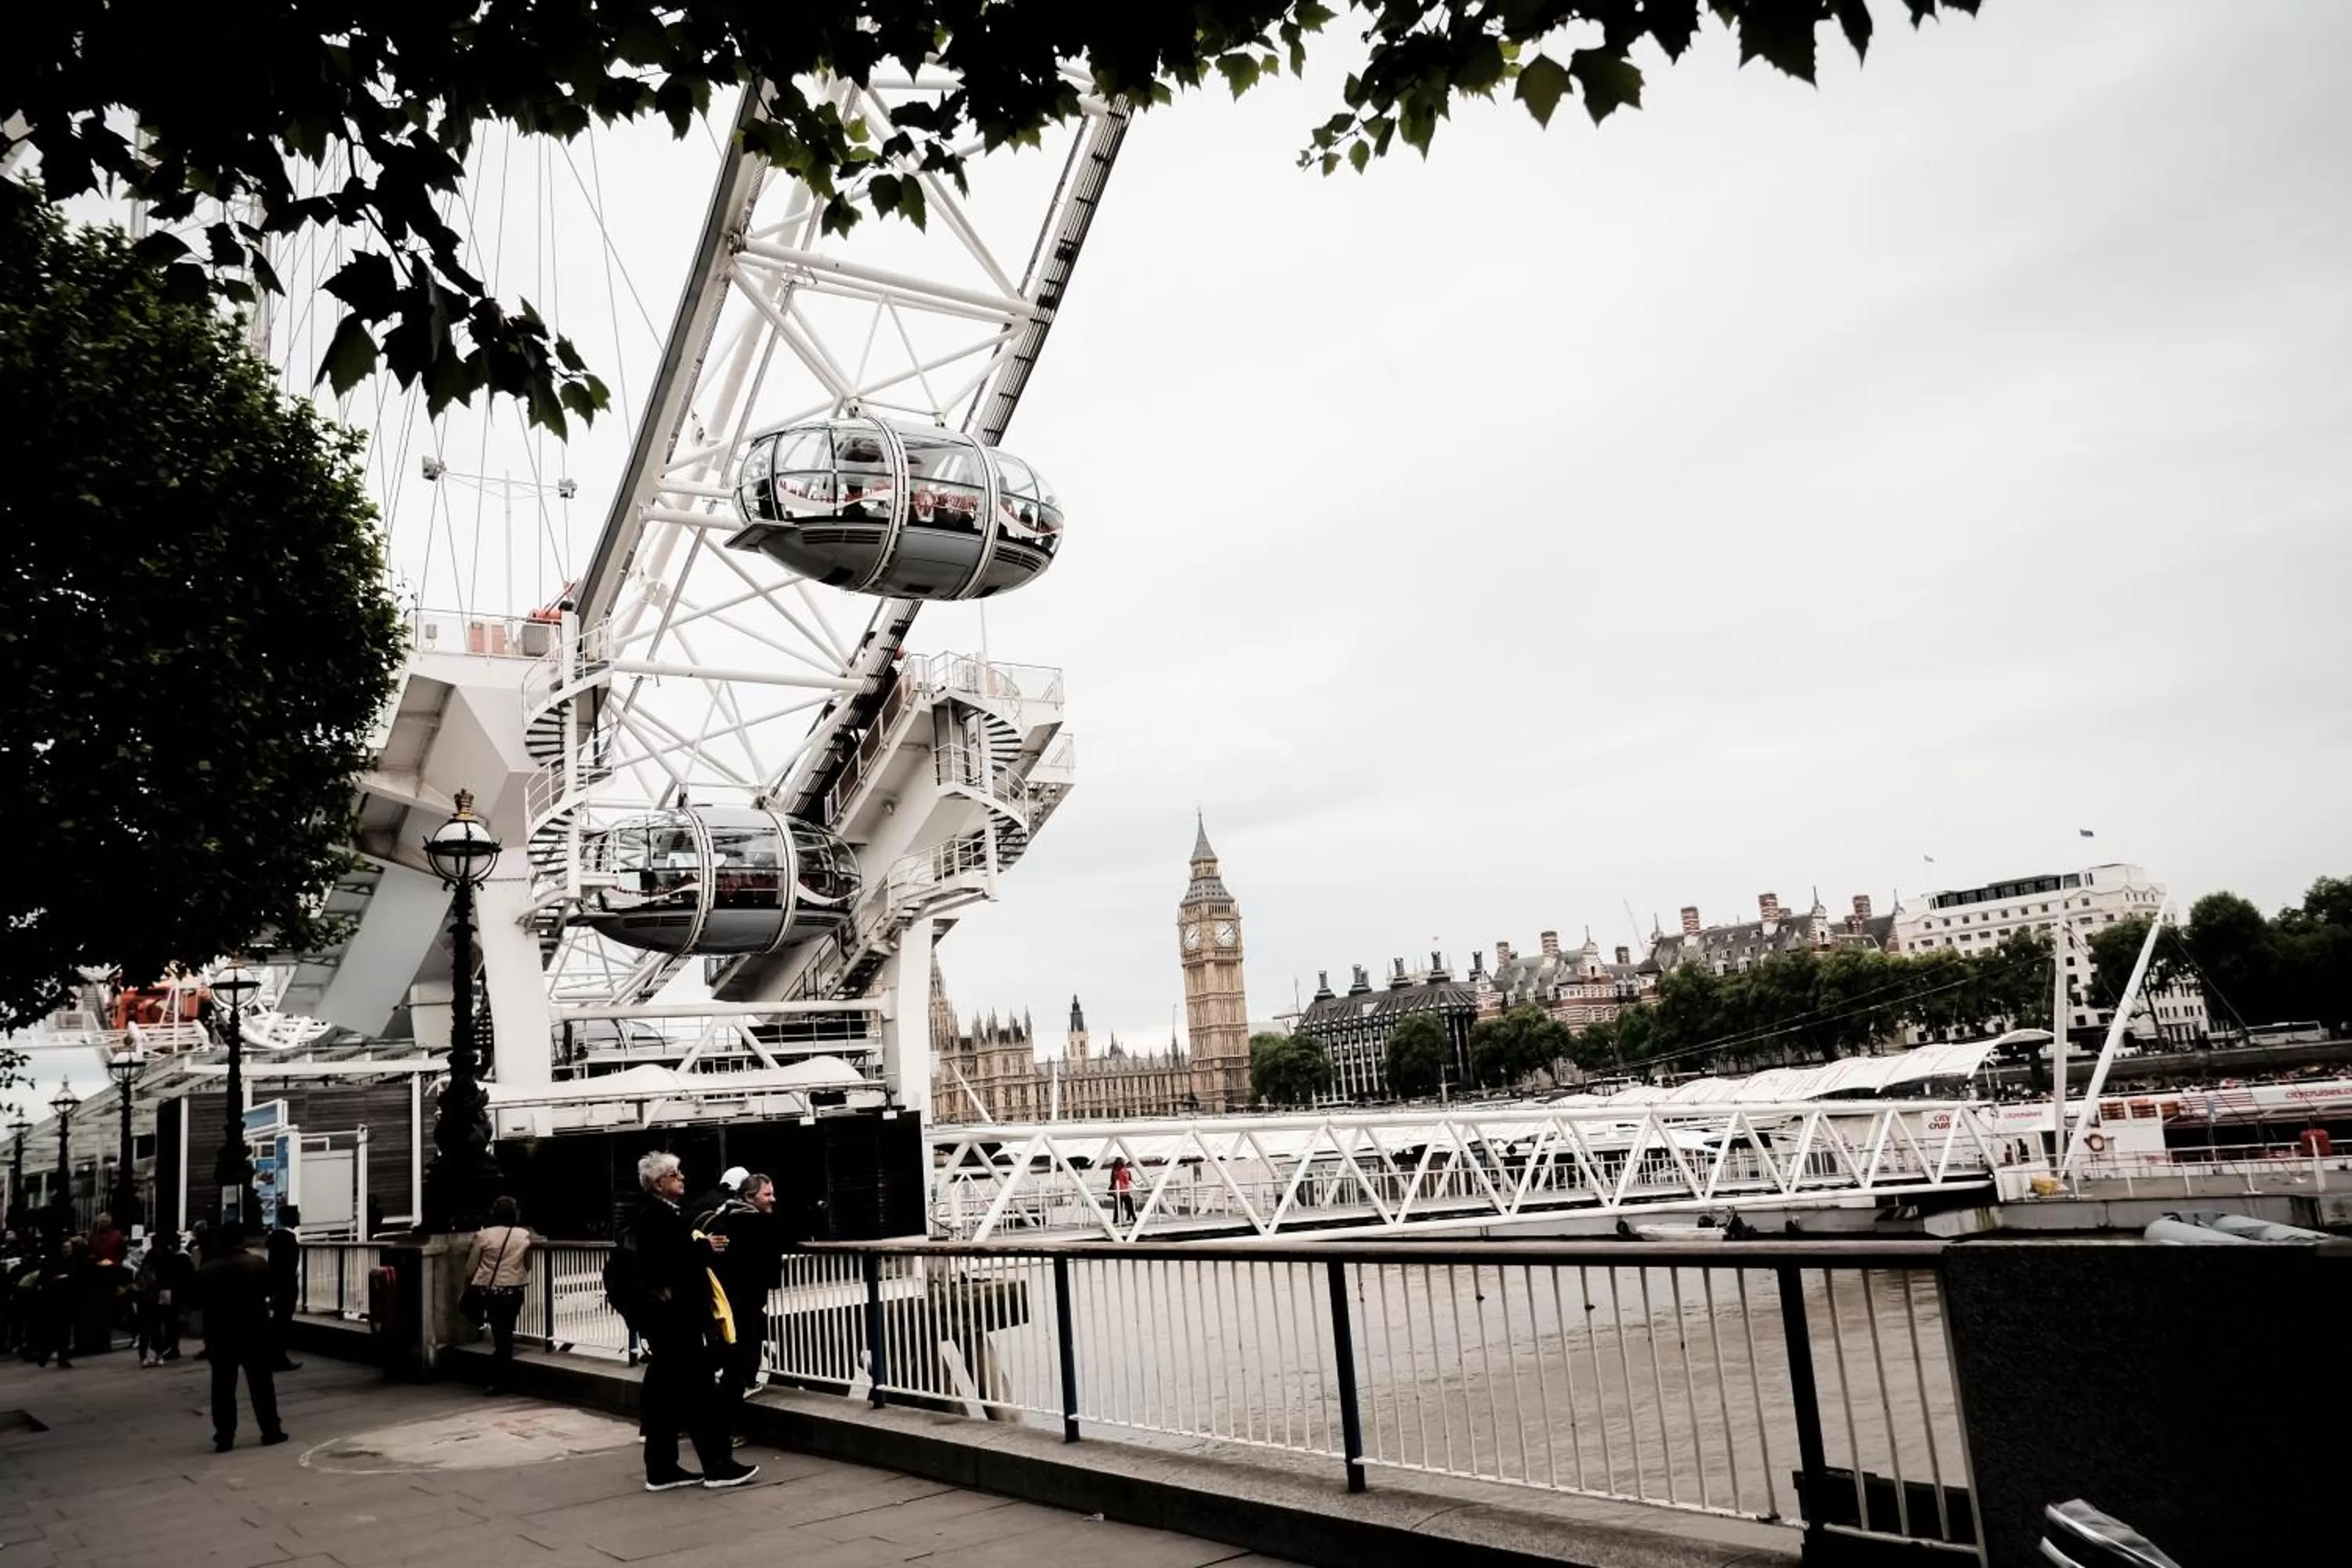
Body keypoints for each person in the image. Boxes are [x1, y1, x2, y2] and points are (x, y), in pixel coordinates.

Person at [628, 1152, 756, 1492]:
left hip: (665, 1322)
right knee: (701, 1394)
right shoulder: (659, 1217)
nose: (682, 1177)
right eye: (675, 1173)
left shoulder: (655, 1216)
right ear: (659, 1183)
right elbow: (672, 1262)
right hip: (678, 1320)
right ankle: (717, 1465)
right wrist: (705, 1249)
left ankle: (662, 1468)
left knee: (664, 1396)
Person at [194, 1223, 286, 1453]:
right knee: (262, 1384)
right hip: (254, 1330)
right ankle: (270, 1430)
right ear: (242, 1240)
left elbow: (197, 1301)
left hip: (220, 1333)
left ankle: (225, 1436)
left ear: (218, 1241)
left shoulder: (208, 1270)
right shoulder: (256, 1264)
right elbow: (271, 1290)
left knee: (223, 1387)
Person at [705, 1172, 784, 1428]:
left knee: (722, 1357)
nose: (773, 1199)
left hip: (722, 1299)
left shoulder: (721, 1217)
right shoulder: (758, 1224)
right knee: (737, 1364)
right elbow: (774, 1253)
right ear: (750, 1197)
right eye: (767, 1194)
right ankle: (730, 1429)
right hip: (745, 1300)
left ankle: (706, 1421)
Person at [464, 1196, 533, 1393]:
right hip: (515, 1289)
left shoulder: (484, 1236)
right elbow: (527, 1265)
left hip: (493, 1291)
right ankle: (503, 1374)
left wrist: (470, 1282)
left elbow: (471, 1267)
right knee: (507, 1332)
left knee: (499, 1333)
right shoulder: (523, 1235)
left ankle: (500, 1379)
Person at [264, 1204, 303, 1370]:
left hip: (277, 1286)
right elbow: (290, 1265)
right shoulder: (288, 1239)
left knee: (278, 1320)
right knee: (283, 1322)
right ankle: (279, 1357)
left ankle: (273, 1356)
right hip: (287, 1286)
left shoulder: (274, 1238)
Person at [1109, 1156, 1138, 1225]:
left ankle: (1115, 1220)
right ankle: (1134, 1218)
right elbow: (1127, 1180)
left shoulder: (1114, 1171)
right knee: (1129, 1204)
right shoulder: (1124, 1171)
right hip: (1124, 1190)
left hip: (1116, 1190)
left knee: (1118, 1206)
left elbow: (1112, 1180)